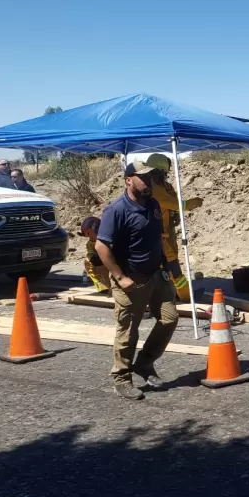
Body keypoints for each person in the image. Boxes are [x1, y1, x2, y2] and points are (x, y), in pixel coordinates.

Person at [95, 159, 179, 400]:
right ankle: (121, 378)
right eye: (143, 177)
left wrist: (166, 267)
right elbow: (101, 246)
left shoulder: (152, 204)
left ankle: (144, 362)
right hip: (130, 280)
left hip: (156, 275)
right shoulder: (116, 210)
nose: (148, 181)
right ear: (128, 180)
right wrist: (120, 277)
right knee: (128, 332)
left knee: (170, 319)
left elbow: (156, 239)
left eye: (150, 177)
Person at [145, 154, 203, 303]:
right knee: (172, 265)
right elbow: (173, 203)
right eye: (163, 172)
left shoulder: (164, 186)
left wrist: (174, 215)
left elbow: (172, 204)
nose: (166, 175)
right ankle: (184, 295)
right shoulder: (153, 188)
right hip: (155, 236)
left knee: (169, 265)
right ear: (155, 170)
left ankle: (174, 293)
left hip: (166, 233)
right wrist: (191, 204)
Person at [79, 216, 111, 294]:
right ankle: (104, 286)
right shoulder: (90, 243)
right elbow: (90, 252)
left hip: (115, 264)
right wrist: (93, 257)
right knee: (87, 262)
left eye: (89, 234)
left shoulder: (109, 238)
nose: (89, 237)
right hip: (104, 265)